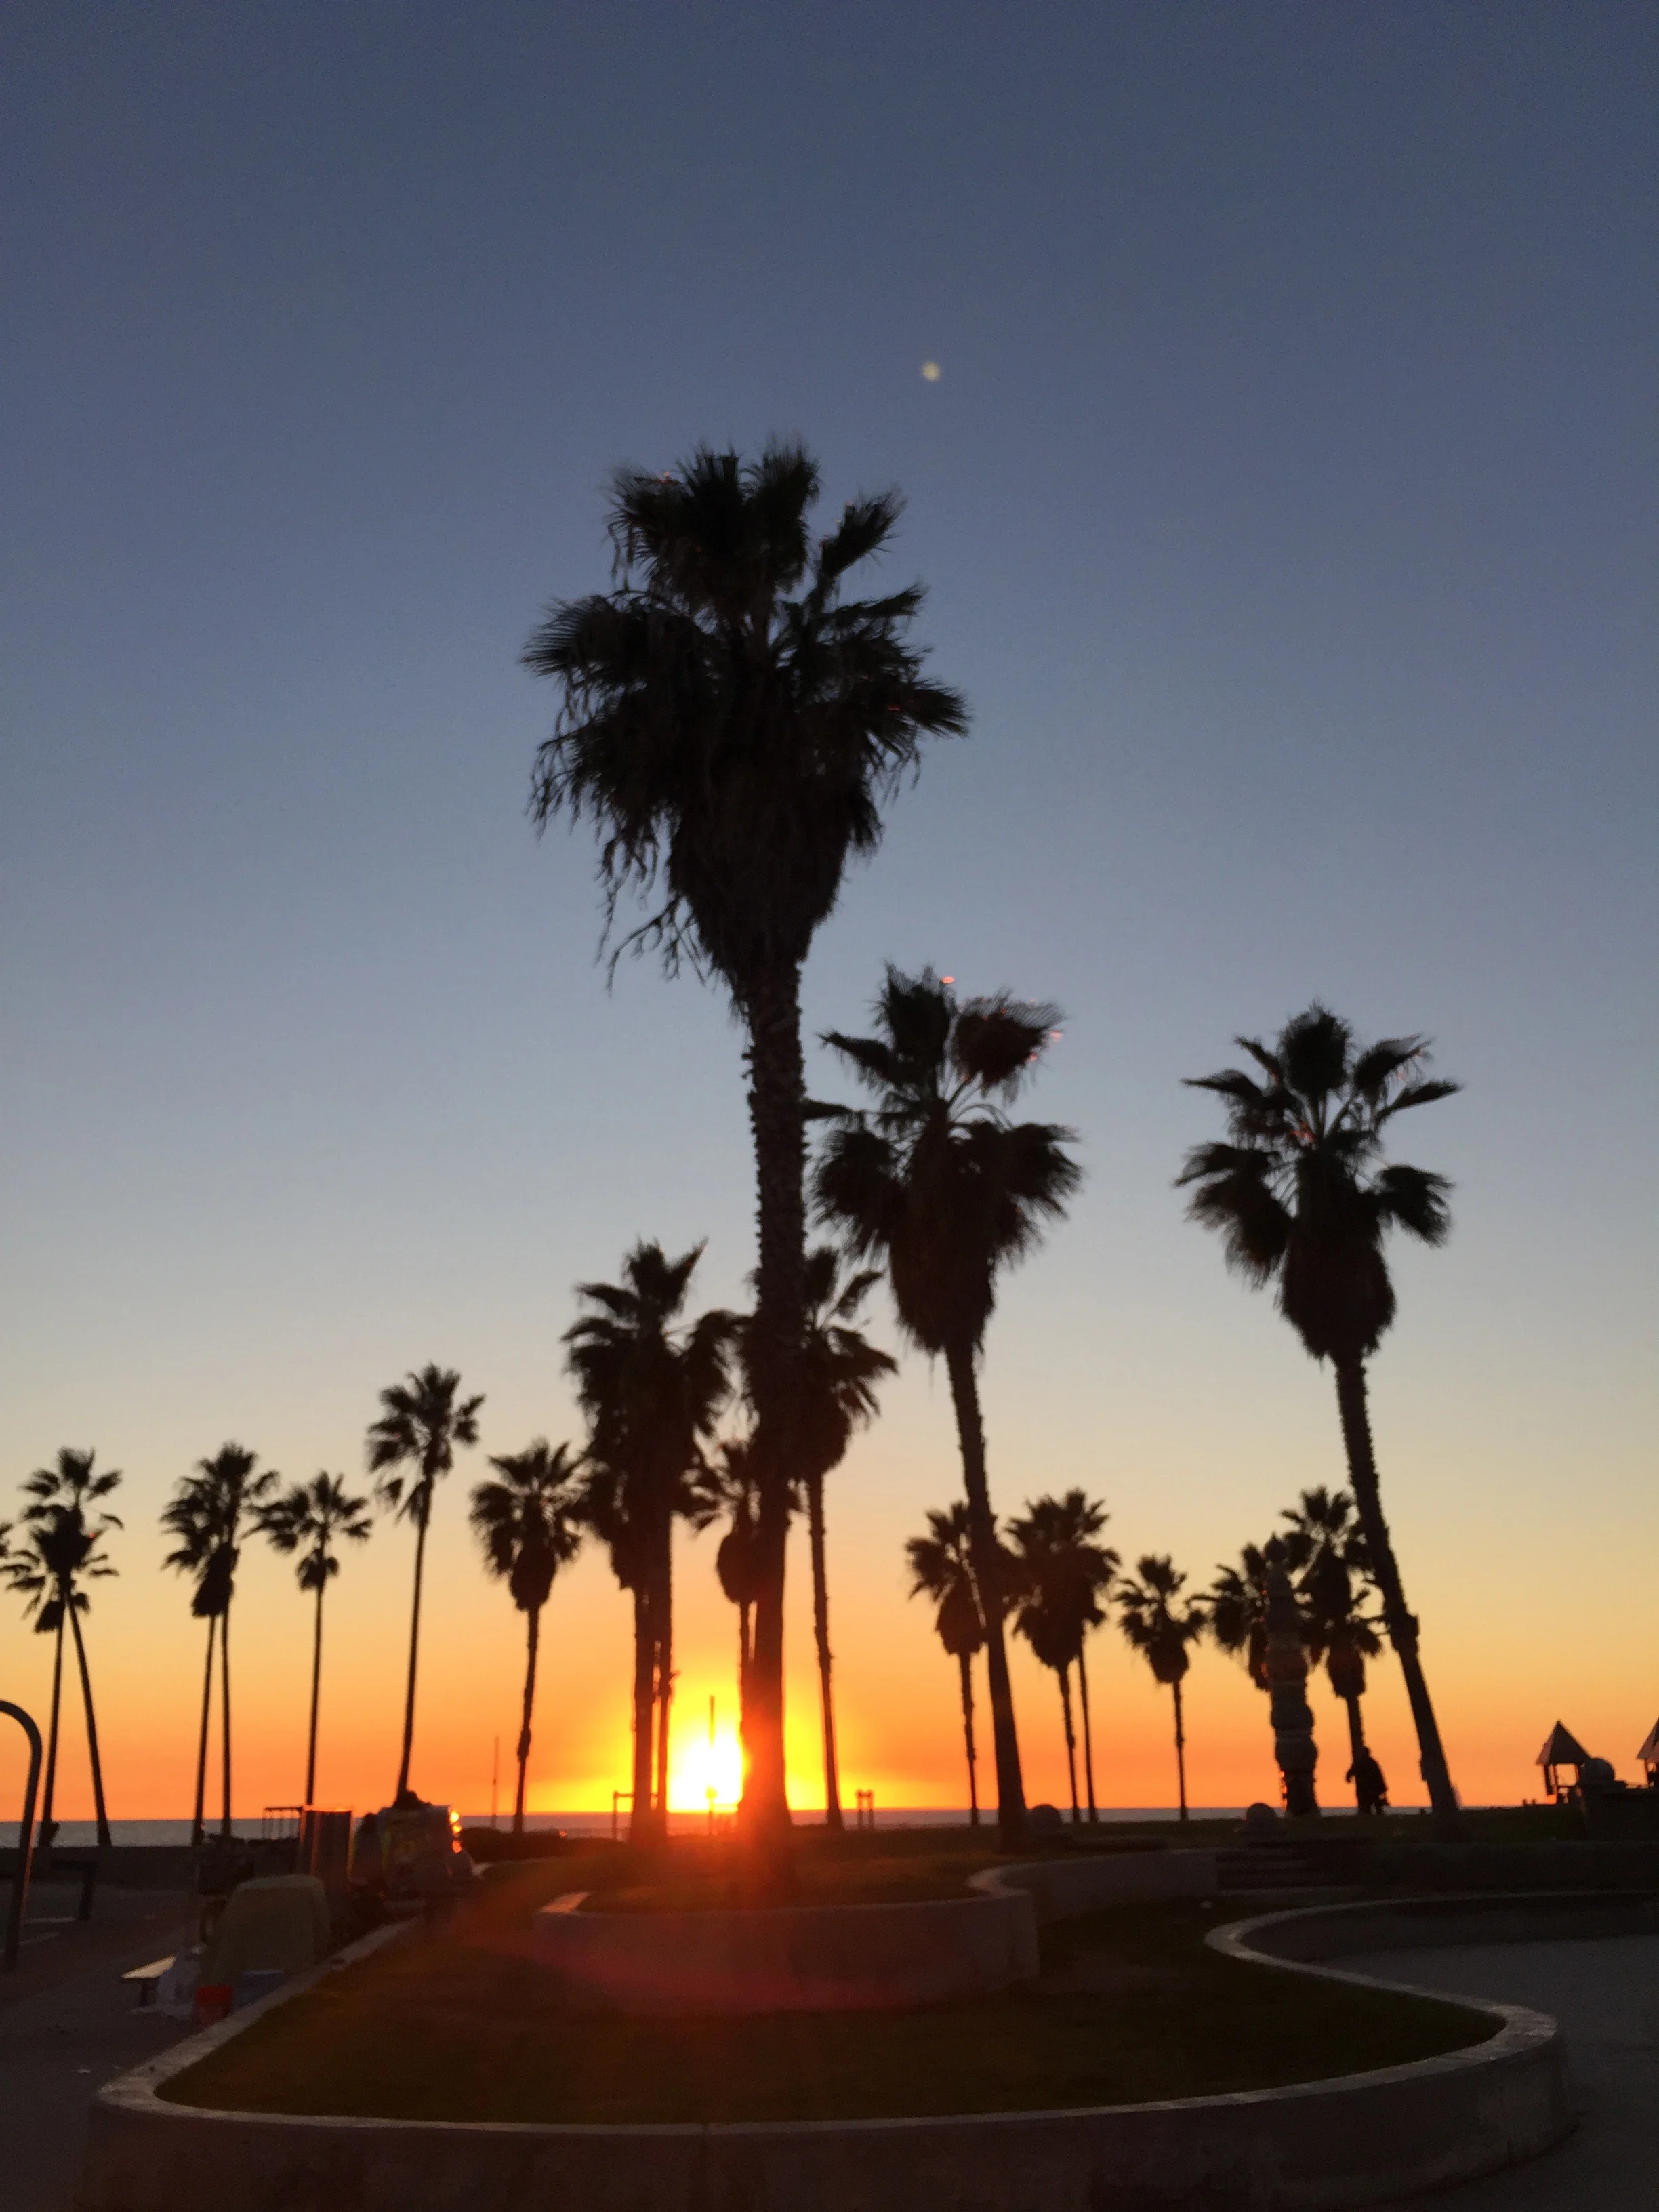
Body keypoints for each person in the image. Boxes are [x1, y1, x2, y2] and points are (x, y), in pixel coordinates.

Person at [1347, 1748, 1389, 1816]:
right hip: (1367, 1788)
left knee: (1373, 1803)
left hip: (1371, 1787)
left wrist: (1383, 1788)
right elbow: (1380, 1776)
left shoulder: (1364, 1763)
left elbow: (1379, 1776)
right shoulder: (1366, 1763)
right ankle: (1372, 1814)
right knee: (1370, 1804)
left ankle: (1373, 1814)